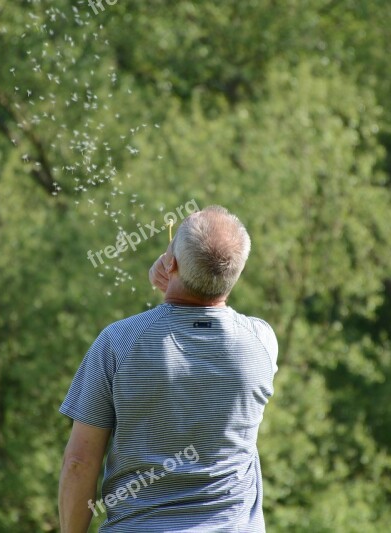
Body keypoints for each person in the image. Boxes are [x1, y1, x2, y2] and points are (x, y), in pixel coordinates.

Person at [58, 205, 279, 532]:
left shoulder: (119, 342)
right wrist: (183, 271)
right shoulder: (261, 342)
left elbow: (79, 462)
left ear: (170, 262)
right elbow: (210, 285)